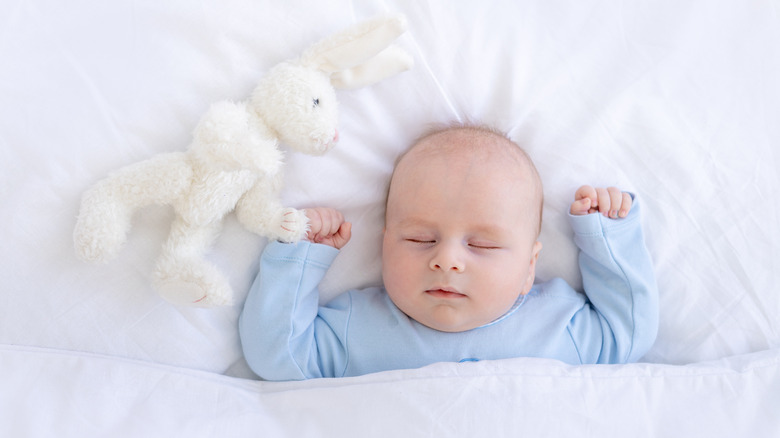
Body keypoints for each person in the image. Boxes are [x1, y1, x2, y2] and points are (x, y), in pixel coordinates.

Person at [239, 124, 658, 381]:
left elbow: (630, 332)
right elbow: (278, 358)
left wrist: (606, 238)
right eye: (421, 239)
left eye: (482, 244)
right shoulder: (356, 329)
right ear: (384, 245)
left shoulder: (559, 325)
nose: (448, 260)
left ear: (530, 267)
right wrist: (300, 261)